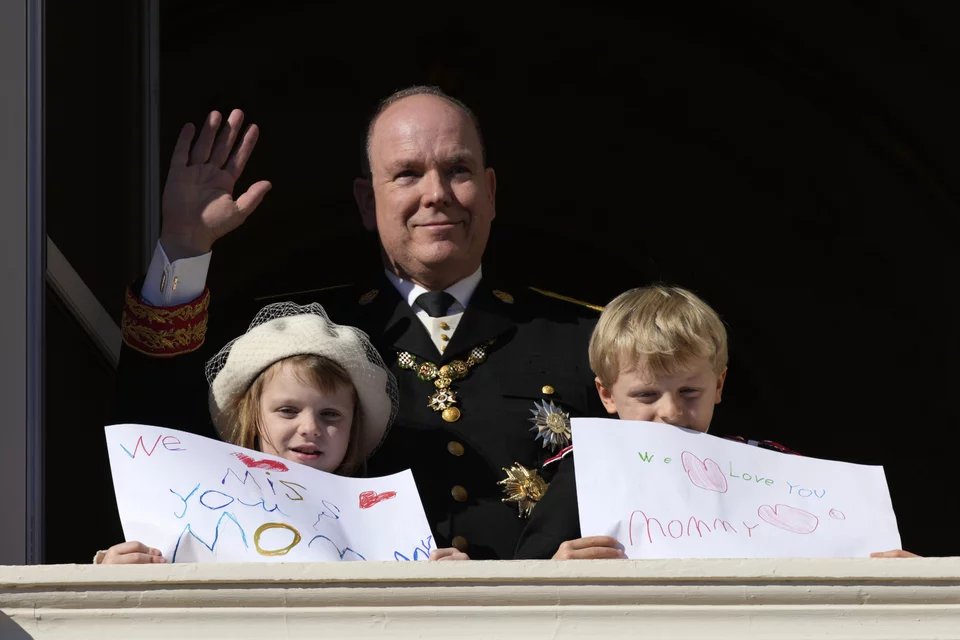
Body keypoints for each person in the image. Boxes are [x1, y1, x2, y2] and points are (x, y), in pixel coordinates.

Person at [115, 85, 605, 560]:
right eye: (408, 174)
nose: (437, 193)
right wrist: (183, 247)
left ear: (491, 191)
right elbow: (158, 434)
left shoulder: (586, 338)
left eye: (458, 170)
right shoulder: (293, 332)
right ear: (368, 202)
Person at [513, 285, 916, 560]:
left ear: (719, 384)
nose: (670, 412)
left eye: (689, 392)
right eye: (646, 395)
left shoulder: (770, 465)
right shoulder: (583, 469)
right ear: (606, 395)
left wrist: (890, 568)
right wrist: (553, 566)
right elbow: (520, 578)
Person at [100, 301, 467, 563]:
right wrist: (115, 574)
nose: (310, 428)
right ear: (251, 418)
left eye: (330, 414)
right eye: (287, 410)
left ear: (353, 428)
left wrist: (453, 586)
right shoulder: (191, 507)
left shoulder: (389, 525)